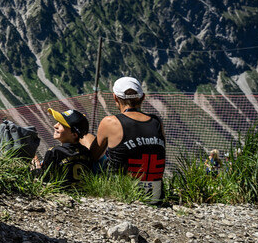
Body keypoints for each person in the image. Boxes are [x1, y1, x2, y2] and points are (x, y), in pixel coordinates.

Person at [90, 76, 167, 204]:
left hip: (121, 193)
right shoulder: (156, 121)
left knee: (88, 142)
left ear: (115, 97)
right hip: (155, 195)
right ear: (142, 97)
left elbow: (92, 156)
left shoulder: (110, 122)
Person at [31, 108, 93, 187]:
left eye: (61, 124)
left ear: (74, 134)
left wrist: (37, 168)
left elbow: (44, 180)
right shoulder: (86, 152)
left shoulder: (54, 152)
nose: (55, 125)